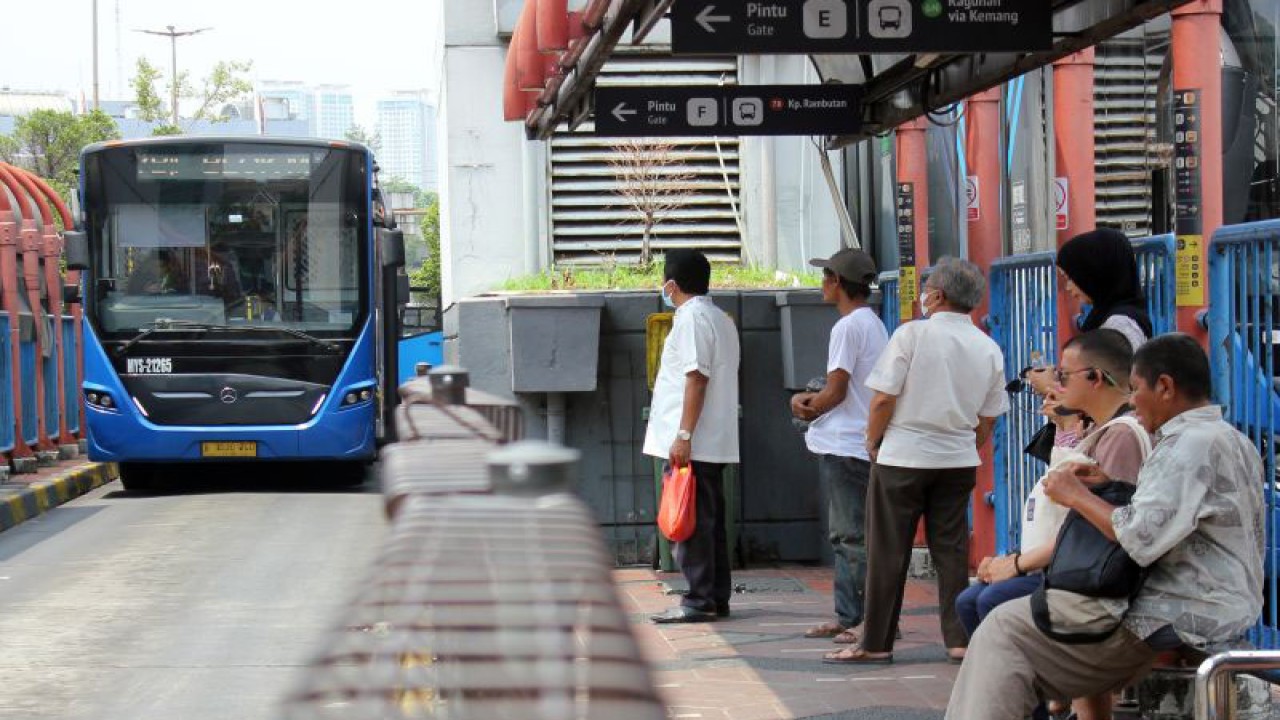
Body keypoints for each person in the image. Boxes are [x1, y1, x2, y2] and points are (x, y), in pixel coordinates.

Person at [946, 334, 1265, 720]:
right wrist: (1103, 485)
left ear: (1165, 387)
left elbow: (1137, 537)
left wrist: (1075, 494)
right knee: (1010, 620)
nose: (1131, 401)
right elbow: (1168, 514)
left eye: (1136, 389)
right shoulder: (1230, 439)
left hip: (1175, 613)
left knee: (1004, 629)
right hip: (1214, 603)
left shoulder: (1186, 445)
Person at [955, 329, 1151, 720]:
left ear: (1095, 378)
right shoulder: (1100, 431)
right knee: (978, 601)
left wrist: (1018, 564)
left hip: (1101, 587)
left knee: (996, 608)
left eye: (1064, 375)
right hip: (1080, 572)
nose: (1055, 385)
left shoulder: (1122, 438)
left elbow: (1110, 528)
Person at [824, 257, 1008, 664]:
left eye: (927, 290)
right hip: (957, 460)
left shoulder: (911, 336)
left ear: (937, 296)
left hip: (903, 456)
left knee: (887, 551)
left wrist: (873, 441)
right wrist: (967, 444)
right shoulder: (988, 346)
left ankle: (876, 642)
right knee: (952, 552)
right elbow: (989, 416)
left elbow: (884, 399)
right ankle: (958, 639)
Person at [789, 248, 888, 644]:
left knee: (849, 536)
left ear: (836, 282)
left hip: (846, 445)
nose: (822, 284)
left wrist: (802, 404)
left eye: (825, 276)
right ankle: (853, 615)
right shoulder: (874, 323)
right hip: (858, 442)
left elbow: (836, 390)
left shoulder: (846, 328)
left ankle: (857, 619)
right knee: (855, 535)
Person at [645, 249, 741, 624]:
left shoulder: (693, 320)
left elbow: (695, 377)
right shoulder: (719, 319)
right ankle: (715, 596)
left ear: (672, 285)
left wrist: (683, 435)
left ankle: (699, 599)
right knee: (709, 521)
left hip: (694, 440)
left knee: (692, 522)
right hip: (712, 438)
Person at [1027, 227, 1153, 395]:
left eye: (1071, 278)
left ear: (1094, 273)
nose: (1068, 287)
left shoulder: (1119, 325)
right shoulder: (1107, 316)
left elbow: (1108, 395)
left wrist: (1050, 388)